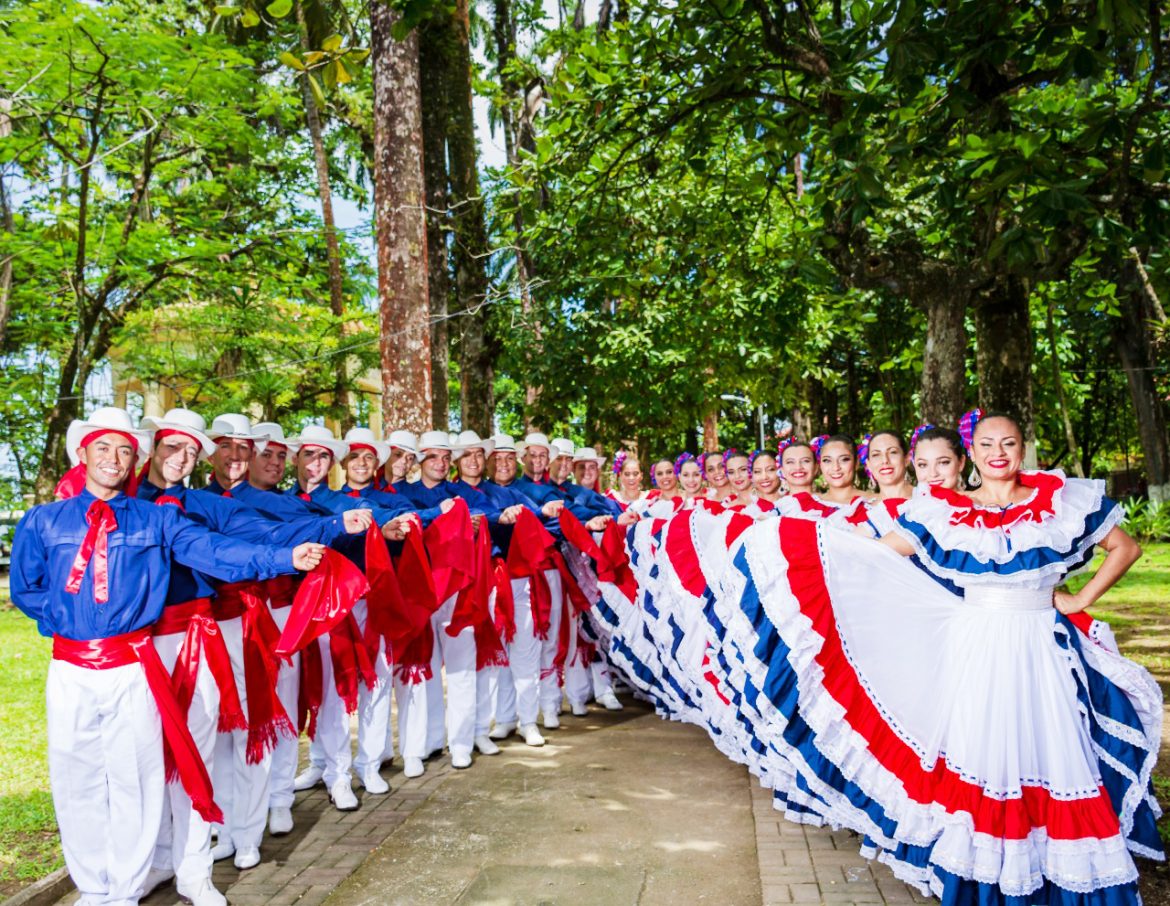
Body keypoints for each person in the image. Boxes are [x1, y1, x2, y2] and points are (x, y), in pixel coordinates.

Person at [720, 411, 1162, 903]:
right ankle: (987, 875)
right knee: (984, 751)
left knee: (1048, 751)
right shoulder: (945, 513)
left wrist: (1080, 601)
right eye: (988, 444)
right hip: (976, 646)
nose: (999, 453)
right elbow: (877, 555)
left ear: (1021, 449)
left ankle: (1058, 875)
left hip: (1039, 648)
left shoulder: (1055, 501)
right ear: (974, 453)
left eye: (1009, 443)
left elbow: (1125, 547)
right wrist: (796, 543)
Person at [10, 407, 324, 906]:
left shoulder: (159, 518)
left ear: (134, 457)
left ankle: (173, 876)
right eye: (103, 448)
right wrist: (69, 622)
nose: (114, 459)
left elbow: (218, 551)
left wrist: (286, 558)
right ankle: (100, 884)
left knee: (153, 768)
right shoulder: (45, 519)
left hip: (145, 659)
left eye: (122, 450)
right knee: (80, 777)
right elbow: (27, 586)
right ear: (83, 453)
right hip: (71, 666)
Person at [137, 410, 353, 895]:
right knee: (172, 747)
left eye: (244, 448)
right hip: (154, 639)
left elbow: (265, 536)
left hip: (233, 625)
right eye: (221, 447)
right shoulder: (145, 502)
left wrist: (334, 526)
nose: (235, 456)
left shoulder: (219, 506)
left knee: (249, 727)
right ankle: (182, 845)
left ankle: (246, 829)